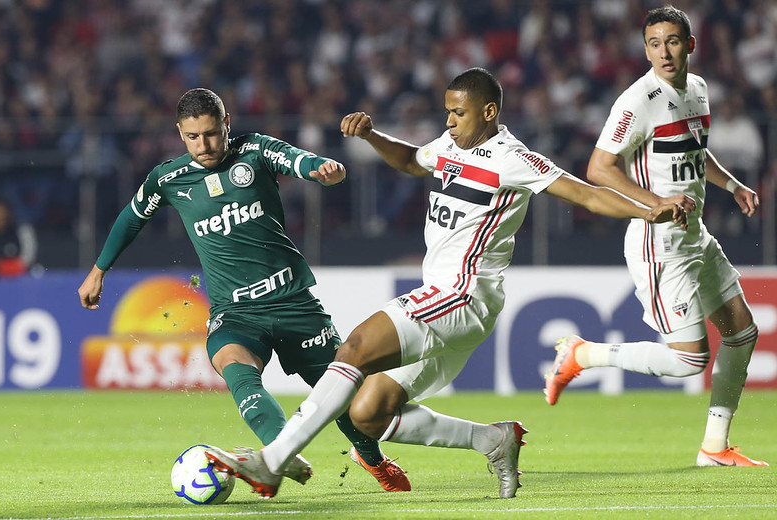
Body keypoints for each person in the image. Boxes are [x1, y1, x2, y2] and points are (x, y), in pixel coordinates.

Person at [204, 67, 687, 499]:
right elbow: (414, 161)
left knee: (351, 350)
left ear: (490, 111)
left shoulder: (513, 158)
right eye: (447, 112)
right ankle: (492, 440)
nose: (450, 120)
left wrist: (652, 207)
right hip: (449, 303)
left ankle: (272, 462)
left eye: (459, 112)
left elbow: (585, 195)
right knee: (369, 412)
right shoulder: (450, 145)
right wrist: (373, 136)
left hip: (462, 295)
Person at [77, 88, 411, 492]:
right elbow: (131, 218)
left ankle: (370, 456)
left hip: (293, 304)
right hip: (234, 314)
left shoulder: (255, 151)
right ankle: (279, 453)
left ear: (227, 125)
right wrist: (98, 270)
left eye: (212, 134)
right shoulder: (167, 179)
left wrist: (323, 168)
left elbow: (298, 159)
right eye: (193, 137)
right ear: (180, 134)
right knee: (236, 369)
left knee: (346, 399)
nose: (204, 145)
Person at [544, 6, 767, 468]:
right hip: (658, 244)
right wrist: (653, 203)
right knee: (688, 363)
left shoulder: (699, 89)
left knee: (743, 333)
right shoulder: (637, 100)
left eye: (671, 41)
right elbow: (598, 168)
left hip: (696, 236)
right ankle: (584, 353)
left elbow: (694, 153)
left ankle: (715, 447)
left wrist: (732, 185)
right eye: (653, 43)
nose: (663, 52)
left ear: (690, 44)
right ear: (645, 48)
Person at [0, 200, 37, 278]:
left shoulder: (22, 231)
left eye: (3, 217)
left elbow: (26, 263)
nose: (0, 220)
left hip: (15, 281)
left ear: (9, 215)